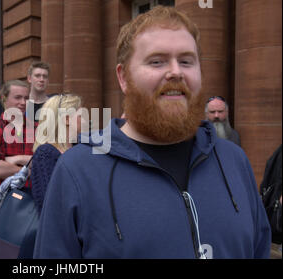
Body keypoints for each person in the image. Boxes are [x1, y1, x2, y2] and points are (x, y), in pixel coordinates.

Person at [33, 6, 271, 259]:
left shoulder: (234, 160)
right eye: (157, 61)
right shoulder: (78, 169)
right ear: (123, 78)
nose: (175, 72)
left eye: (186, 61)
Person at [0, 80, 33, 221]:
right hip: (0, 203)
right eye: (17, 97)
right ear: (4, 99)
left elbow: (45, 160)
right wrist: (30, 168)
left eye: (26, 98)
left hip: (32, 203)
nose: (23, 102)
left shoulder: (38, 128)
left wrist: (17, 158)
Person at [31, 94, 85, 215]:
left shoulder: (79, 146)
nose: (85, 120)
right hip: (60, 228)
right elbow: (49, 203)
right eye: (81, 116)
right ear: (66, 119)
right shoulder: (46, 153)